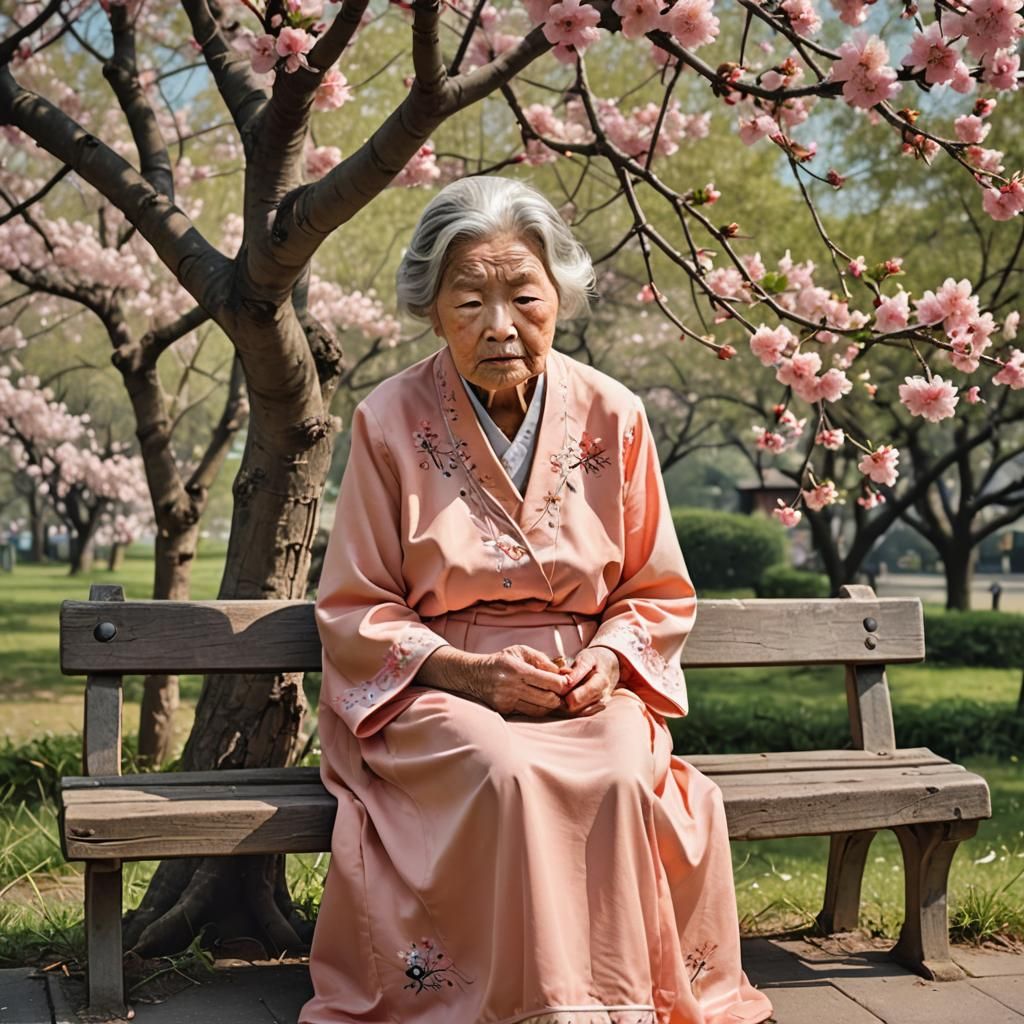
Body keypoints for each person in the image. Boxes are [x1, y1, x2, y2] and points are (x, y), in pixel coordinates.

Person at [300, 176, 773, 1024]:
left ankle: (617, 1006)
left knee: (627, 774)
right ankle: (534, 1007)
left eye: (523, 295)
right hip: (438, 687)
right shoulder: (386, 418)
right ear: (433, 308)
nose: (499, 325)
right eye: (469, 299)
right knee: (505, 771)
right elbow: (354, 606)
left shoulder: (613, 412)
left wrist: (608, 658)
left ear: (559, 294)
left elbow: (655, 588)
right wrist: (469, 675)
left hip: (587, 680)